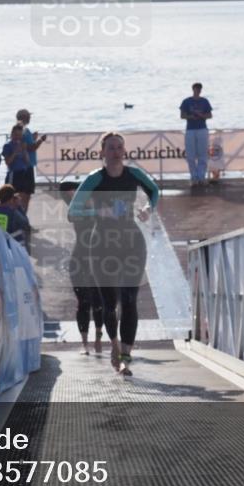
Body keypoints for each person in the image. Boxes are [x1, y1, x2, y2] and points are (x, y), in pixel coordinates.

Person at [68, 132, 159, 376]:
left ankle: (126, 358)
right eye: (111, 148)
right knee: (110, 304)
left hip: (131, 242)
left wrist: (149, 209)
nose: (116, 151)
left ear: (124, 151)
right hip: (102, 245)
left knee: (130, 299)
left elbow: (154, 191)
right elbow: (72, 212)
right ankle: (114, 345)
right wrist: (98, 215)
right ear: (102, 152)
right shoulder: (94, 179)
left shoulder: (134, 175)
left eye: (119, 147)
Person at [59, 180, 104, 355]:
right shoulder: (76, 206)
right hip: (79, 258)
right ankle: (85, 343)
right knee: (83, 302)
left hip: (98, 259)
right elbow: (63, 187)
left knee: (98, 303)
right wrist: (83, 184)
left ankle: (98, 339)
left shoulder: (100, 205)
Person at [179, 82, 213, 187]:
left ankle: (201, 177)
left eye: (199, 89)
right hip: (190, 129)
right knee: (190, 155)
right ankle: (194, 177)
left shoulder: (204, 101)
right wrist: (190, 117)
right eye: (196, 89)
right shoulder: (186, 101)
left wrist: (202, 115)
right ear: (193, 89)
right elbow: (182, 115)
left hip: (202, 128)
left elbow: (210, 115)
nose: (197, 91)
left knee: (203, 154)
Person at [15, 108, 46, 214]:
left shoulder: (20, 130)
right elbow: (31, 147)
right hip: (26, 166)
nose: (30, 118)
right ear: (25, 117)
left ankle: (22, 218)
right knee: (25, 194)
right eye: (28, 116)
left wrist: (32, 137)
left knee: (23, 194)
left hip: (22, 166)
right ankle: (23, 218)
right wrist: (41, 140)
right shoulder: (24, 130)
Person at [2, 123, 34, 209]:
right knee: (12, 197)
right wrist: (15, 152)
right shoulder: (8, 146)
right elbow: (8, 162)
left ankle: (23, 216)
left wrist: (24, 151)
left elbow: (27, 162)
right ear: (12, 134)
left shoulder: (22, 144)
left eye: (19, 136)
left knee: (24, 196)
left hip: (24, 172)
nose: (17, 138)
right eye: (16, 135)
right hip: (14, 173)